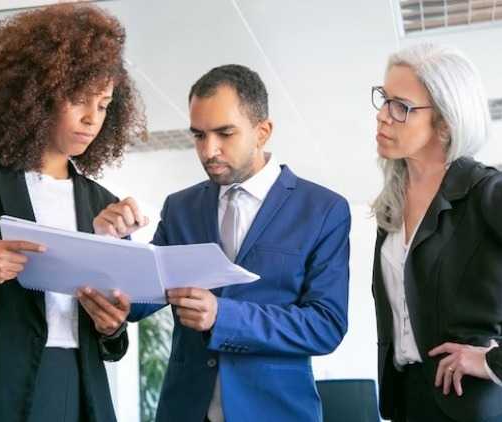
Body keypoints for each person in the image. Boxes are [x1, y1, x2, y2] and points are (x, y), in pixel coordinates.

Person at [94, 64, 351, 421]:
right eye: (199, 135)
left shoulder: (323, 209)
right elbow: (139, 302)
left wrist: (223, 316)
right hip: (185, 410)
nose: (208, 150)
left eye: (224, 134)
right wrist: (116, 242)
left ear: (263, 132)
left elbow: (326, 326)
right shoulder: (180, 207)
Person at [0, 4, 147, 421]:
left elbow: (113, 340)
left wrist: (111, 325)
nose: (91, 118)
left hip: (82, 391)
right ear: (37, 92)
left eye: (103, 104)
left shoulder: (104, 203)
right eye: (78, 100)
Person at [370, 42, 502, 422]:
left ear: (445, 122)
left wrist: (501, 361)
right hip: (413, 400)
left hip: (480, 403)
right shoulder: (393, 200)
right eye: (383, 98)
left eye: (401, 106)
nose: (382, 116)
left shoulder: (485, 190)